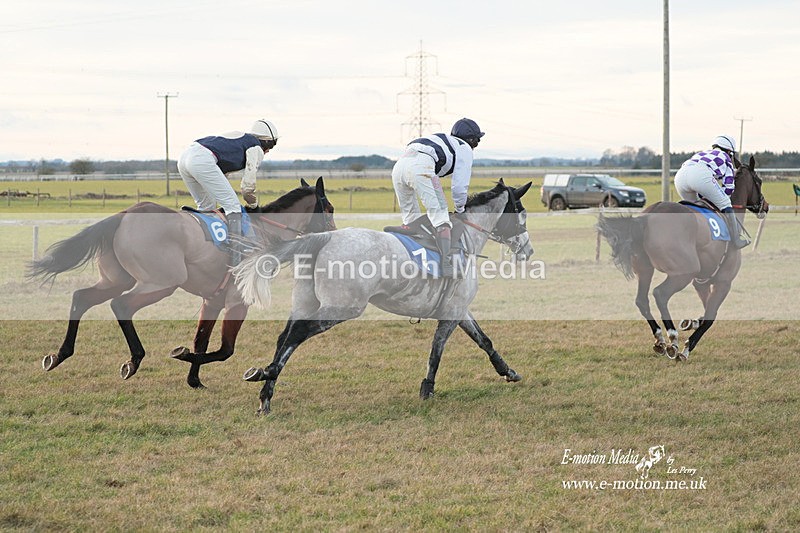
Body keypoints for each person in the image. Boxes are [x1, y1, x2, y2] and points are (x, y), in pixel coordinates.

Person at [391, 118, 484, 277]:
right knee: (441, 216)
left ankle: (413, 256)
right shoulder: (464, 148)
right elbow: (460, 186)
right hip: (422, 167)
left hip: (398, 167)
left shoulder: (441, 139)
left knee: (411, 219)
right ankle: (446, 264)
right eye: (477, 141)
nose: (476, 145)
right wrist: (460, 209)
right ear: (471, 139)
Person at [177, 119, 279, 264]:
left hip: (184, 157)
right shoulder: (255, 147)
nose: (268, 151)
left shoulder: (239, 140)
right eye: (271, 146)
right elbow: (248, 187)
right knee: (233, 206)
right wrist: (254, 206)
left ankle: (203, 248)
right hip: (201, 159)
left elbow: (220, 175)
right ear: (266, 142)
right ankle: (237, 256)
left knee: (207, 207)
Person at [674, 134, 749, 249]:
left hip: (680, 176)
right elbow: (728, 186)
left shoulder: (701, 153)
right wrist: (722, 199)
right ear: (730, 151)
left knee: (694, 208)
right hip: (699, 174)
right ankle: (736, 239)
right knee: (725, 203)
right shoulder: (726, 157)